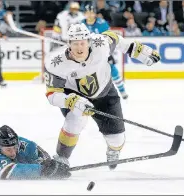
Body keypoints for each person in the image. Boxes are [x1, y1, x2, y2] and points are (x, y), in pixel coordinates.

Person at [44, 23, 160, 170]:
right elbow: (52, 94)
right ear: (69, 44)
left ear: (89, 41)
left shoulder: (101, 44)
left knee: (117, 139)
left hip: (105, 93)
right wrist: (71, 101)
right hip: (75, 96)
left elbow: (117, 39)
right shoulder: (56, 63)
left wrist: (140, 50)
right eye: (75, 44)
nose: (79, 48)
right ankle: (61, 157)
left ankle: (113, 150)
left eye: (82, 43)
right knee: (75, 120)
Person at [0, 95, 71, 180]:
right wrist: (44, 170)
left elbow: (32, 147)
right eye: (8, 149)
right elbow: (15, 171)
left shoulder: (11, 142)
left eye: (14, 147)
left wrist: (47, 162)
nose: (13, 152)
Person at [82, 5, 128, 100]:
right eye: (87, 13)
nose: (90, 15)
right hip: (87, 55)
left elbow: (109, 38)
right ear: (84, 14)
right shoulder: (81, 25)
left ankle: (122, 91)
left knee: (113, 70)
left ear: (95, 14)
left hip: (102, 52)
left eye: (91, 12)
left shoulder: (102, 23)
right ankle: (89, 94)